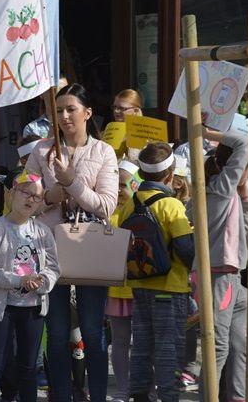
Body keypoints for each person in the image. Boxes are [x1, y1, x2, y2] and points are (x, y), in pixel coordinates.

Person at [25, 83, 119, 402]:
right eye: (58, 111)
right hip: (49, 250)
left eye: (71, 109)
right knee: (56, 332)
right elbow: (23, 201)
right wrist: (49, 196)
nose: (64, 116)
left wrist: (72, 183)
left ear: (87, 113)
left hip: (89, 248)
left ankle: (97, 395)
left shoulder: (103, 151)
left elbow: (106, 205)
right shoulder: (41, 151)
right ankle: (61, 395)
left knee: (92, 331)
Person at [116, 143, 195, 402]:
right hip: (170, 288)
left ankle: (139, 395)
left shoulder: (130, 204)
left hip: (140, 286)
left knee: (141, 345)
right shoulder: (171, 205)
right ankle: (168, 396)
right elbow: (185, 249)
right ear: (170, 175)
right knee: (169, 348)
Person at [0, 168, 60, 402]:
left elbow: (53, 268)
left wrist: (42, 282)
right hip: (2, 308)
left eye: (37, 196)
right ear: (12, 193)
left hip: (33, 307)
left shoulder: (42, 231)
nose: (31, 200)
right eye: (26, 193)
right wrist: (18, 280)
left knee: (28, 367)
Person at [194, 129, 248, 401]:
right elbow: (244, 143)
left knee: (241, 344)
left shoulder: (230, 194)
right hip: (218, 275)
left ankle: (238, 396)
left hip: (234, 276)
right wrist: (207, 131)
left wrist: (246, 199)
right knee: (218, 345)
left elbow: (243, 232)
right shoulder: (221, 189)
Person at [106, 159, 140, 402]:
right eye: (114, 184)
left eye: (122, 184)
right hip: (116, 289)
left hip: (139, 288)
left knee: (142, 342)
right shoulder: (108, 212)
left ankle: (144, 388)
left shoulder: (141, 211)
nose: (117, 190)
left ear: (135, 185)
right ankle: (122, 388)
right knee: (119, 341)